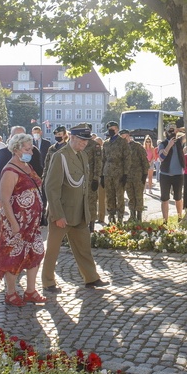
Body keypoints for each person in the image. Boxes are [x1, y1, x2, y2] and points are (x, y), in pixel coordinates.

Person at [42, 125, 108, 293]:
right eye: (81, 140)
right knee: (53, 250)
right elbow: (51, 188)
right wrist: (57, 214)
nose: (84, 144)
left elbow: (83, 185)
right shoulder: (60, 157)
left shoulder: (83, 156)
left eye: (86, 141)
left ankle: (91, 277)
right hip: (62, 212)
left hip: (79, 211)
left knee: (84, 247)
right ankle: (48, 282)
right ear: (72, 138)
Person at [0, 133, 47, 305]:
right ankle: (11, 293)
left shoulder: (26, 165)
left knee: (36, 252)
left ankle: (31, 291)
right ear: (16, 149)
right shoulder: (10, 170)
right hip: (16, 223)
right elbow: (6, 200)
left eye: (30, 148)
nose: (30, 151)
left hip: (32, 223)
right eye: (27, 149)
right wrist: (14, 225)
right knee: (14, 256)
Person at [101, 121, 130, 223]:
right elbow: (103, 159)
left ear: (117, 129)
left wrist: (125, 173)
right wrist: (101, 175)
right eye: (109, 129)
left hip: (119, 172)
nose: (111, 130)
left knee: (120, 195)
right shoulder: (106, 143)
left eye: (112, 128)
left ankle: (120, 216)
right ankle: (111, 216)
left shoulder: (122, 142)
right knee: (109, 195)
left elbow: (127, 158)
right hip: (107, 172)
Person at [157, 123, 185, 223]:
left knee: (178, 197)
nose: (172, 133)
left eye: (173, 131)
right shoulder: (162, 144)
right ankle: (165, 220)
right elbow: (161, 158)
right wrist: (169, 145)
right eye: (170, 131)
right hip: (165, 174)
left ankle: (180, 217)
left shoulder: (180, 141)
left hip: (178, 174)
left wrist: (179, 129)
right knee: (165, 198)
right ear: (166, 133)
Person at [121, 129, 149, 222]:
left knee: (138, 196)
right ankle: (132, 216)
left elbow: (145, 162)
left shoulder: (137, 146)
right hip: (127, 177)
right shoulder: (122, 148)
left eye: (125, 137)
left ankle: (139, 217)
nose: (124, 139)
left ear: (129, 136)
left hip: (138, 176)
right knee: (131, 197)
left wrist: (144, 175)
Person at [85, 133, 104, 229]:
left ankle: (91, 225)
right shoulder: (78, 144)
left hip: (91, 178)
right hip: (78, 179)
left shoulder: (95, 145)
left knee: (91, 202)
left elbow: (98, 163)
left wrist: (96, 178)